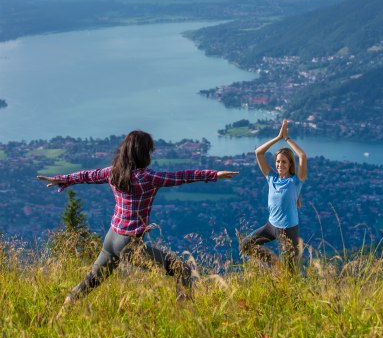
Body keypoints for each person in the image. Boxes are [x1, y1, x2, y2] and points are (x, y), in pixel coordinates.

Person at [37, 130, 238, 307]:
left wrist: (62, 179)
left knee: (92, 280)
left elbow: (88, 175)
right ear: (143, 153)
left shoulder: (113, 173)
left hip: (111, 238)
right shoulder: (146, 177)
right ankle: (184, 314)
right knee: (182, 270)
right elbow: (181, 176)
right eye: (149, 150)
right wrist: (213, 174)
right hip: (128, 243)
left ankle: (66, 307)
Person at [239, 120, 307, 273]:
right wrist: (278, 137)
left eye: (284, 162)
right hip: (271, 226)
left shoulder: (296, 181)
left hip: (288, 230)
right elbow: (259, 153)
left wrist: (287, 139)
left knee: (291, 274)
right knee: (245, 245)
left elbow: (302, 156)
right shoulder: (271, 178)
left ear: (290, 164)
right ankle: (275, 264)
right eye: (277, 162)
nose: (279, 165)